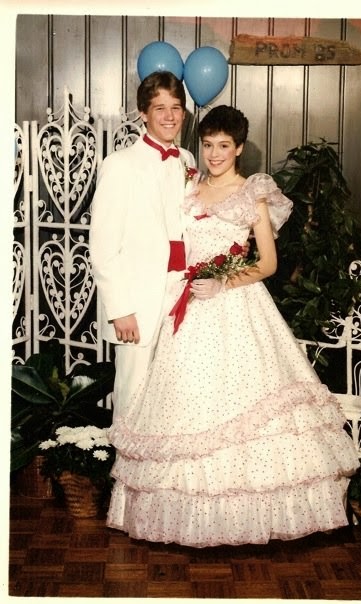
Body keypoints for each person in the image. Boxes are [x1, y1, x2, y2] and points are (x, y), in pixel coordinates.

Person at [107, 105, 360, 547]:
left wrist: (223, 283)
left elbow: (268, 263)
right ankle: (186, 518)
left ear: (240, 148)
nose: (214, 154)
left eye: (224, 146)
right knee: (184, 406)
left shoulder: (252, 193)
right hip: (187, 307)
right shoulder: (189, 186)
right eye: (207, 145)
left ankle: (244, 517)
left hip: (237, 307)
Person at [89, 71, 196, 421]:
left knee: (176, 396)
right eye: (160, 108)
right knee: (133, 394)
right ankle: (125, 457)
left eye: (176, 108)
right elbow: (103, 247)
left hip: (183, 293)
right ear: (143, 114)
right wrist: (120, 308)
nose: (169, 116)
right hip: (139, 302)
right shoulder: (119, 165)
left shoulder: (188, 160)